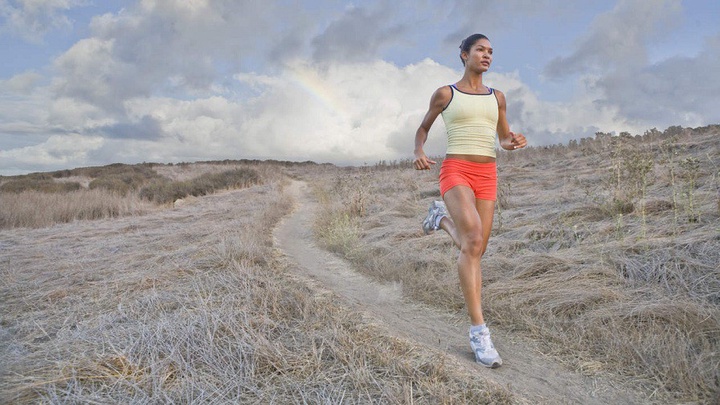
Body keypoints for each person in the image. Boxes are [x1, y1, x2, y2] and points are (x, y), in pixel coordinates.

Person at [413, 33, 527, 368]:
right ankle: (480, 333)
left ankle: (440, 219)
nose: (487, 55)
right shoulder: (446, 93)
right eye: (480, 49)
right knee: (474, 239)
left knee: (475, 248)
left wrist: (512, 140)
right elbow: (423, 129)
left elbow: (502, 138)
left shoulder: (498, 97)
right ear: (464, 55)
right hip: (456, 170)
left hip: (487, 173)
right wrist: (419, 150)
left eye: (491, 51)